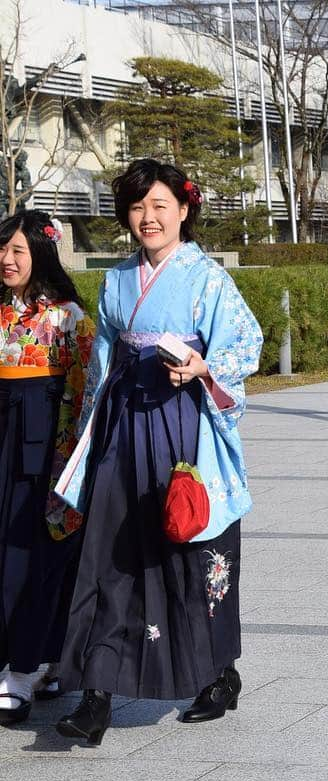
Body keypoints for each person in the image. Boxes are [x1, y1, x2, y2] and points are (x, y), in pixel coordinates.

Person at [53, 158, 262, 744]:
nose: (148, 217)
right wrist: (89, 433)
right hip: (124, 425)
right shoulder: (116, 281)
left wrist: (203, 368)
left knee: (189, 544)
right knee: (108, 552)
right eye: (138, 207)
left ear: (184, 210)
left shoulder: (207, 278)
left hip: (183, 425)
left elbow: (247, 341)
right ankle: (95, 693)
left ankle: (217, 674)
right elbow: (100, 365)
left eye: (159, 205)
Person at [0, 213, 93, 724]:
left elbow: (85, 394)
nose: (6, 260)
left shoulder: (68, 317)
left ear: (42, 252)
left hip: (43, 450)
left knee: (33, 557)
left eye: (17, 250)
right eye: (1, 250)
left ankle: (25, 666)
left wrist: (71, 461)